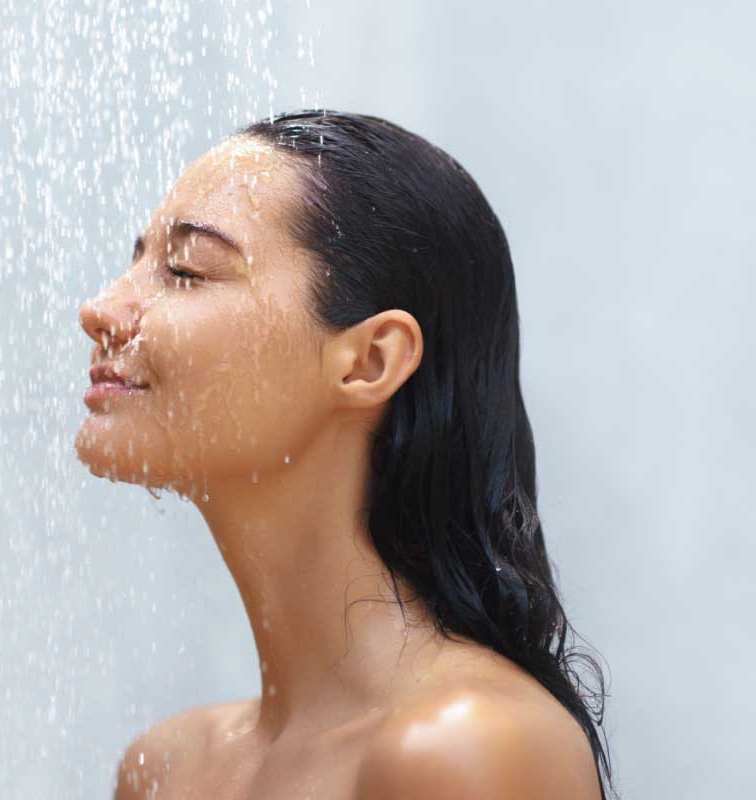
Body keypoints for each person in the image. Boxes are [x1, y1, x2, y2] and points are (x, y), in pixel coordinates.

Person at [75, 110, 615, 800]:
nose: (100, 309)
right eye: (136, 261)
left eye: (185, 270)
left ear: (368, 361)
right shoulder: (167, 771)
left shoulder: (469, 751)